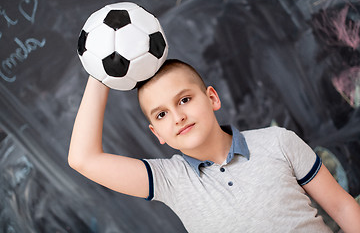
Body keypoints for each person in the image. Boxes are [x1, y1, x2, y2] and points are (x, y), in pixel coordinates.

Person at [68, 59, 360, 232]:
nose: (178, 116)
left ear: (212, 98)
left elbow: (342, 207)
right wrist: (101, 72)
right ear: (157, 133)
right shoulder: (170, 180)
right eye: (162, 114)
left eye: (184, 99)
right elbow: (83, 158)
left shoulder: (278, 141)